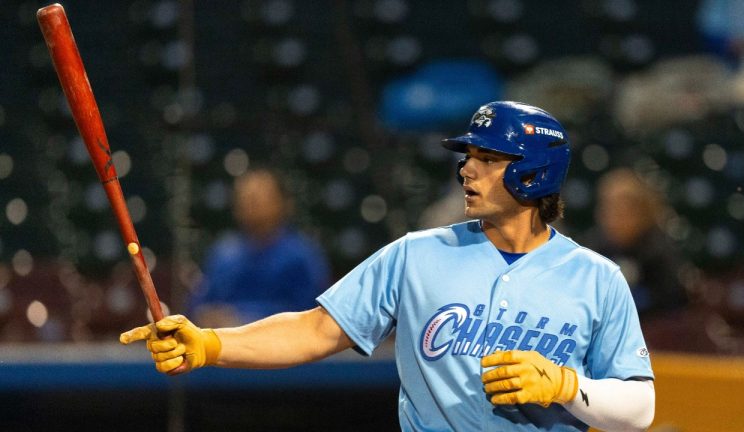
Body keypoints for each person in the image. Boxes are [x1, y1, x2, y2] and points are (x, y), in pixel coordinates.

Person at [121, 102, 655, 431]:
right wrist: (213, 344)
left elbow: (639, 408)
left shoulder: (596, 278)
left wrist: (566, 385)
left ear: (535, 175)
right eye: (467, 156)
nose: (466, 169)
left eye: (487, 160)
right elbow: (315, 330)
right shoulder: (417, 254)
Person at [186, 168, 331, 327]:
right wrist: (205, 315)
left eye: (258, 199)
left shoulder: (302, 255)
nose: (251, 205)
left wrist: (245, 318)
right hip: (226, 344)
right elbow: (199, 303)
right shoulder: (223, 252)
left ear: (282, 203)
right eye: (245, 198)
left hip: (282, 345)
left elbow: (313, 313)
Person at [581, 168, 689, 320]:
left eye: (623, 210)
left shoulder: (659, 251)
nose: (614, 218)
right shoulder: (590, 251)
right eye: (609, 208)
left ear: (642, 212)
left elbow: (670, 302)